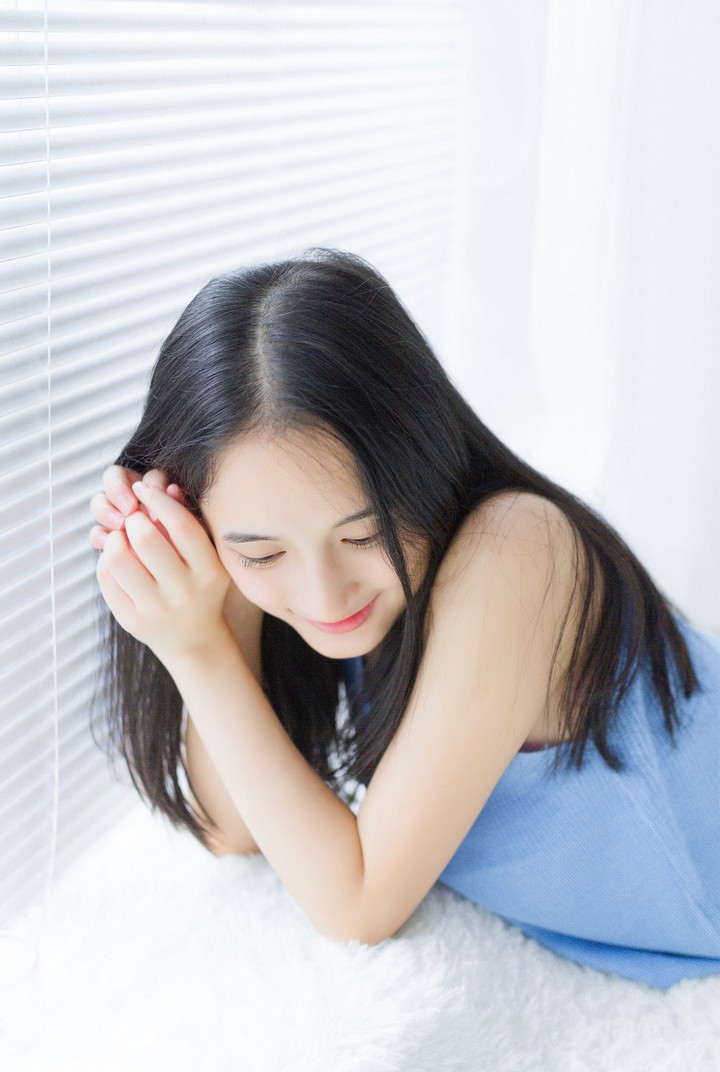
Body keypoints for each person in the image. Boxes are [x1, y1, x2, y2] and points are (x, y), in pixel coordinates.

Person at [88, 247, 720, 990]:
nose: (324, 598)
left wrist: (196, 650)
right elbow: (238, 829)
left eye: (363, 537)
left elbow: (355, 906)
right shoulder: (332, 591)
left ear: (423, 463)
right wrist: (208, 596)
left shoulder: (516, 548)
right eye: (261, 553)